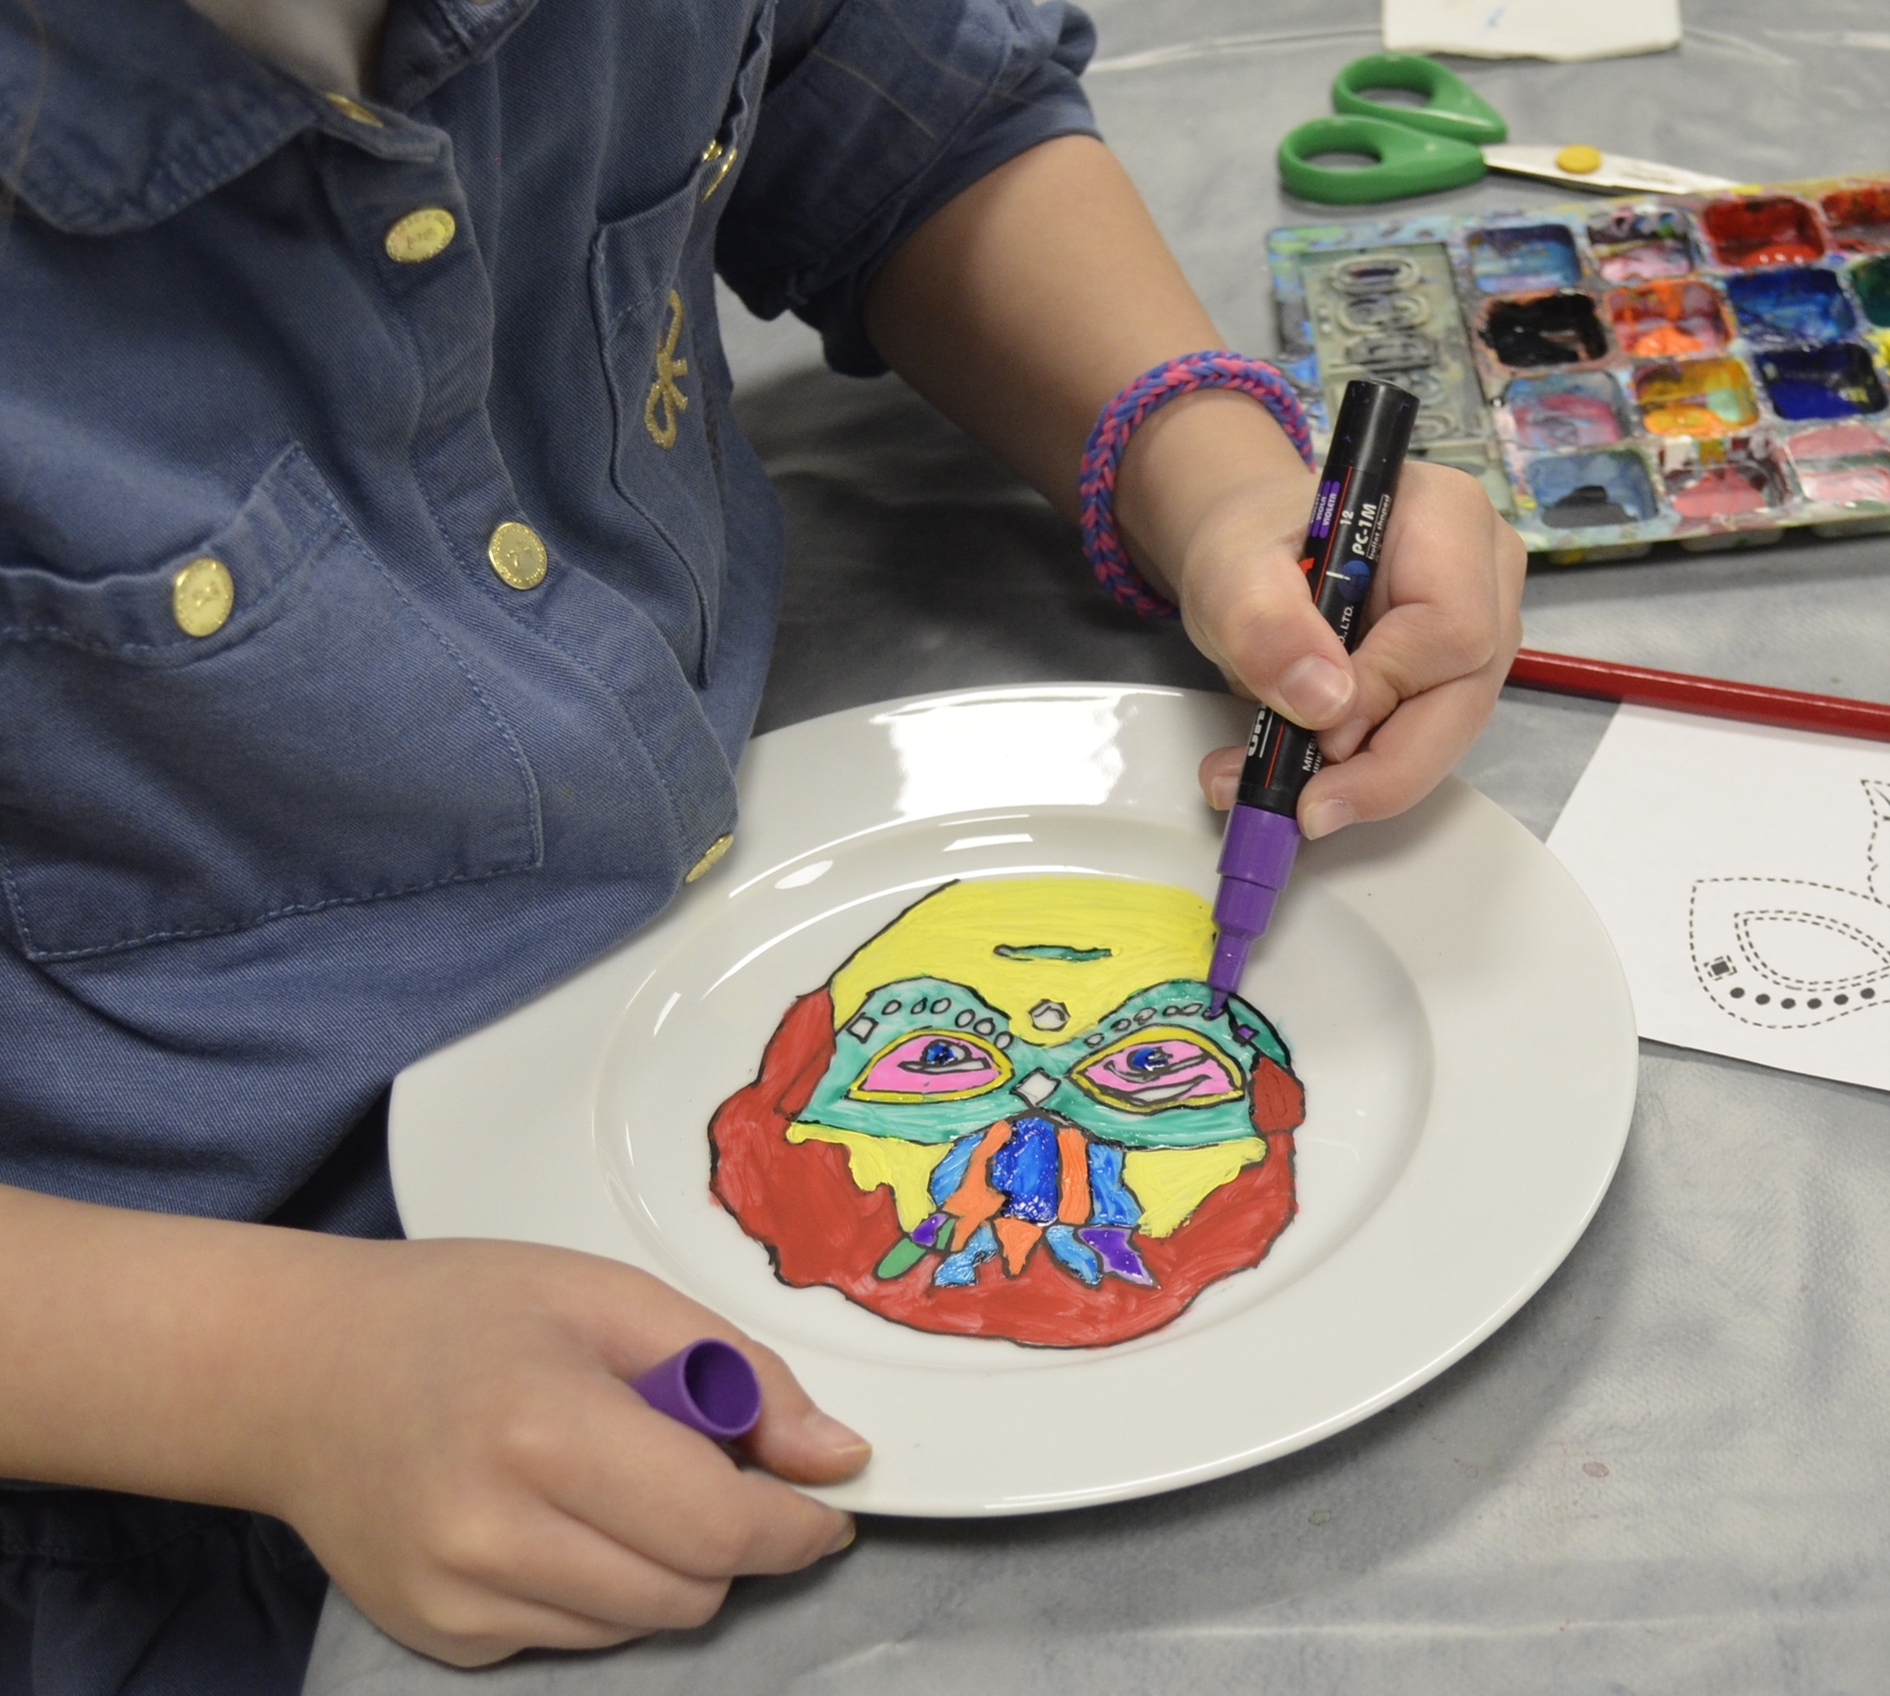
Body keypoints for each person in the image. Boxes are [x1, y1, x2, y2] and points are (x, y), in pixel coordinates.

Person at [0, 0, 1525, 1689]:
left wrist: (1212, 475)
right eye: (938, 1062)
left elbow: (885, 102)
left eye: (1147, 1072)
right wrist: (253, 1373)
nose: (1031, 1162)